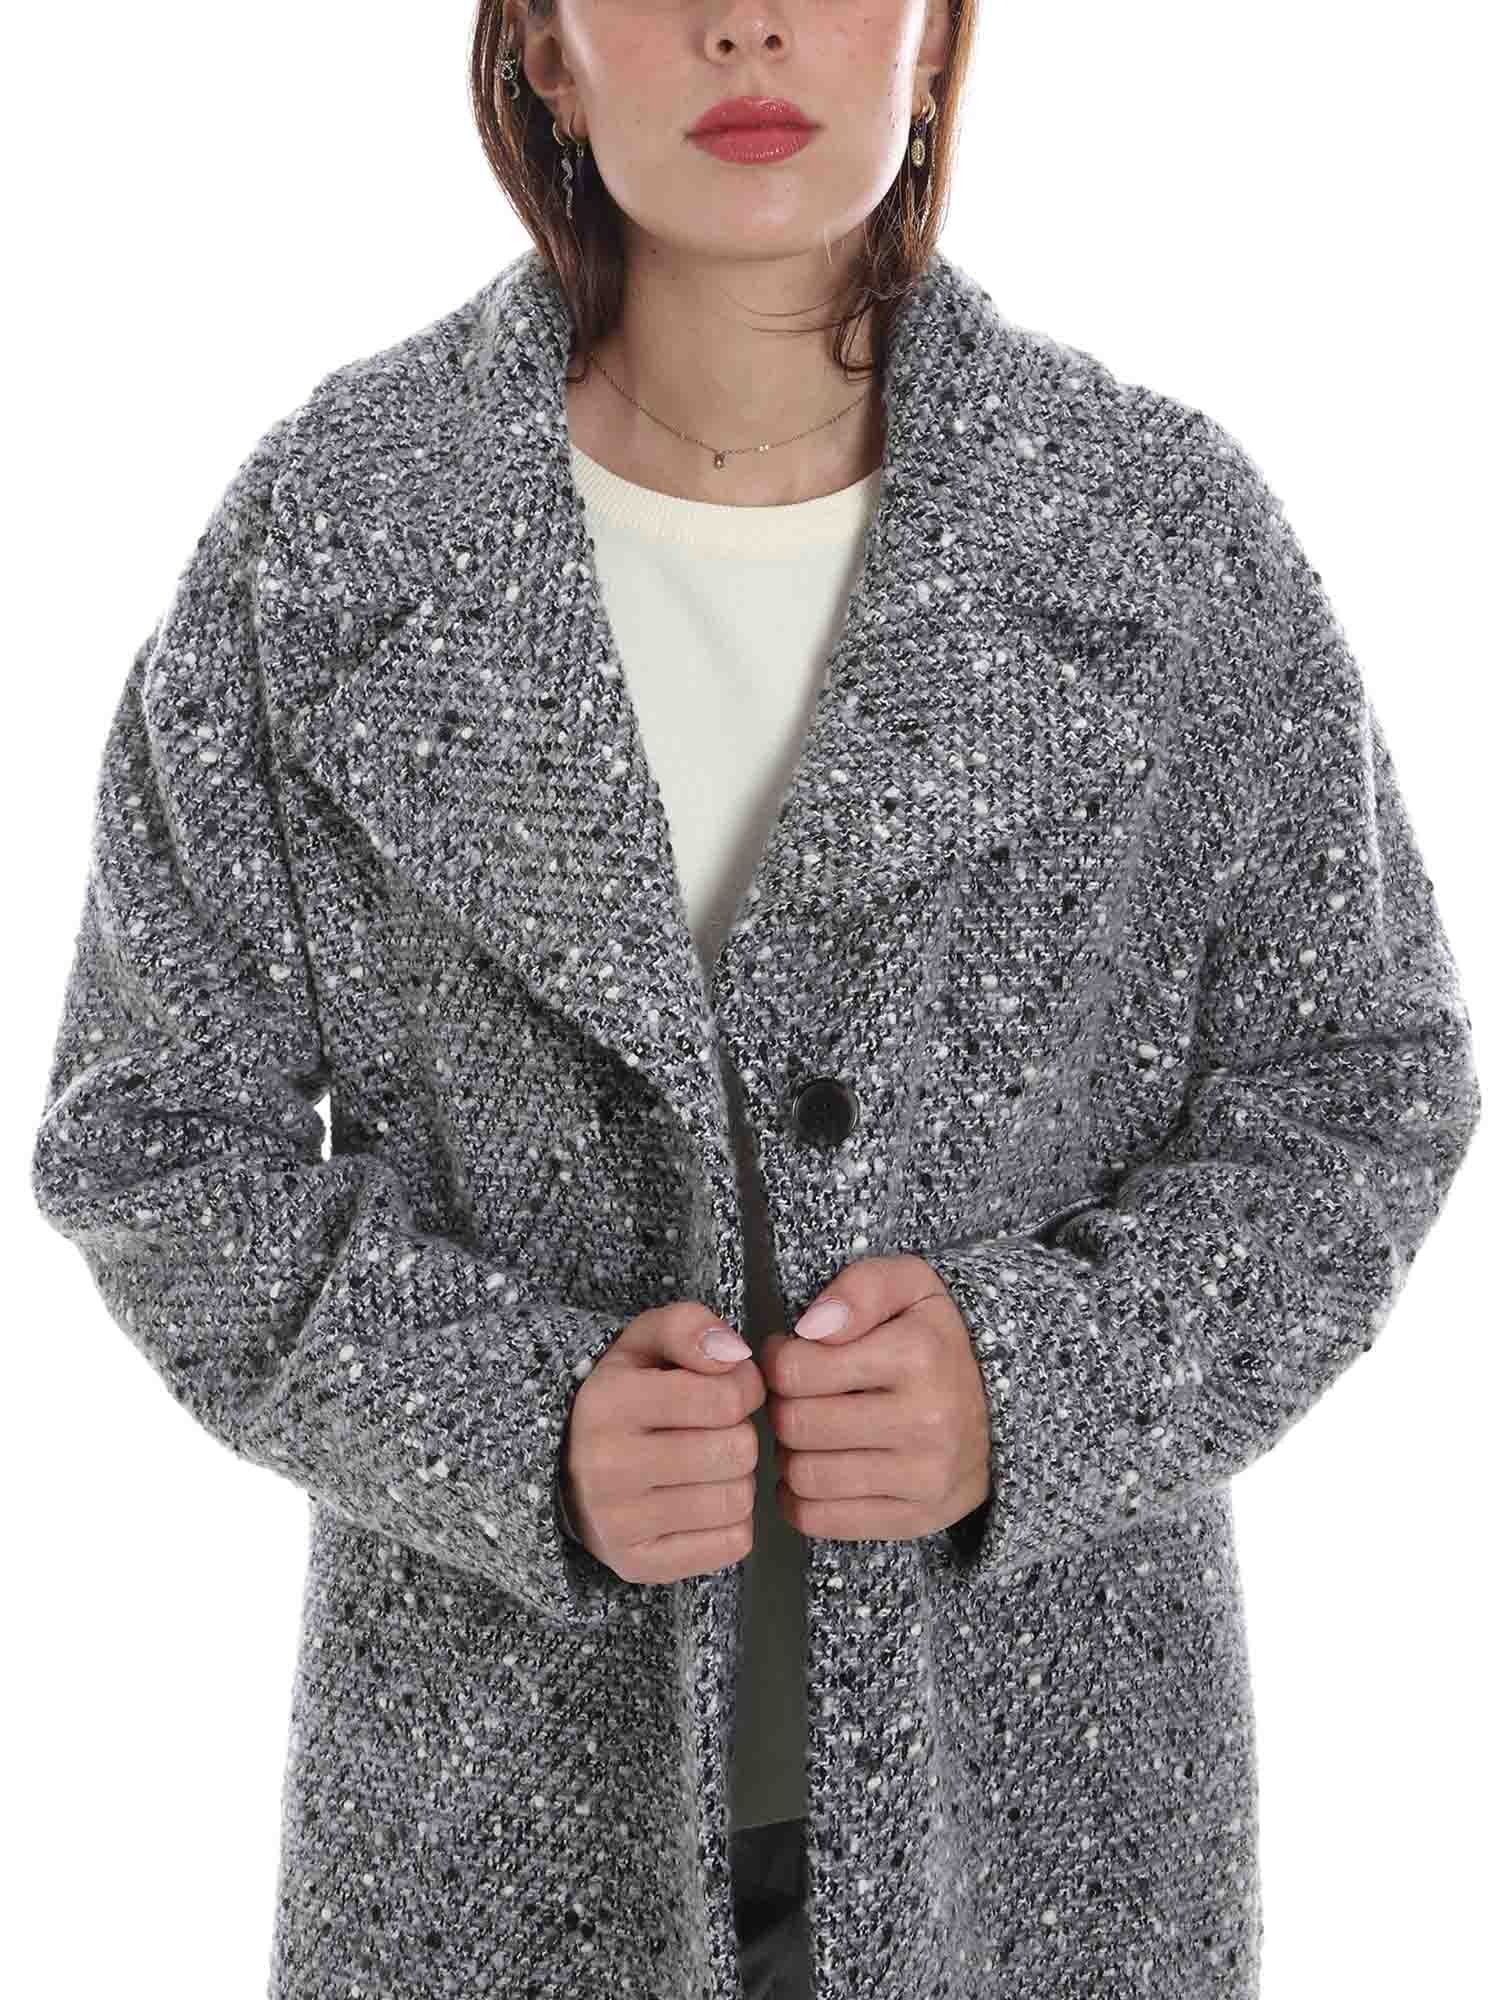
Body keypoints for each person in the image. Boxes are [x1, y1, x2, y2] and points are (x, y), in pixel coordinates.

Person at [30, 3, 1481, 1997]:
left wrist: (1035, 1381)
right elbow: (155, 1137)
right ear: (547, 50)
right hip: (490, 1822)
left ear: (936, 32)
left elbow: (1362, 1091)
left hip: (1039, 1826)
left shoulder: (1161, 537)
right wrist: (517, 1419)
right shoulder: (334, 536)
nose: (749, 22)